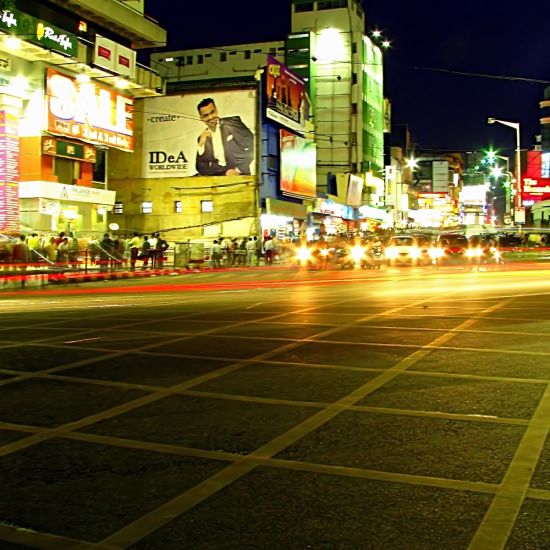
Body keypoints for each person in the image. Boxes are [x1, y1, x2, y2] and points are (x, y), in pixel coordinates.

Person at [195, 97, 254, 176]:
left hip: (239, 176)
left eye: (212, 112)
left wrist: (238, 170)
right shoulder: (203, 137)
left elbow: (254, 145)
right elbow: (201, 168)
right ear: (201, 118)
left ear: (216, 110)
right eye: (206, 115)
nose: (210, 117)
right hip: (218, 180)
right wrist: (201, 144)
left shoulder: (232, 123)